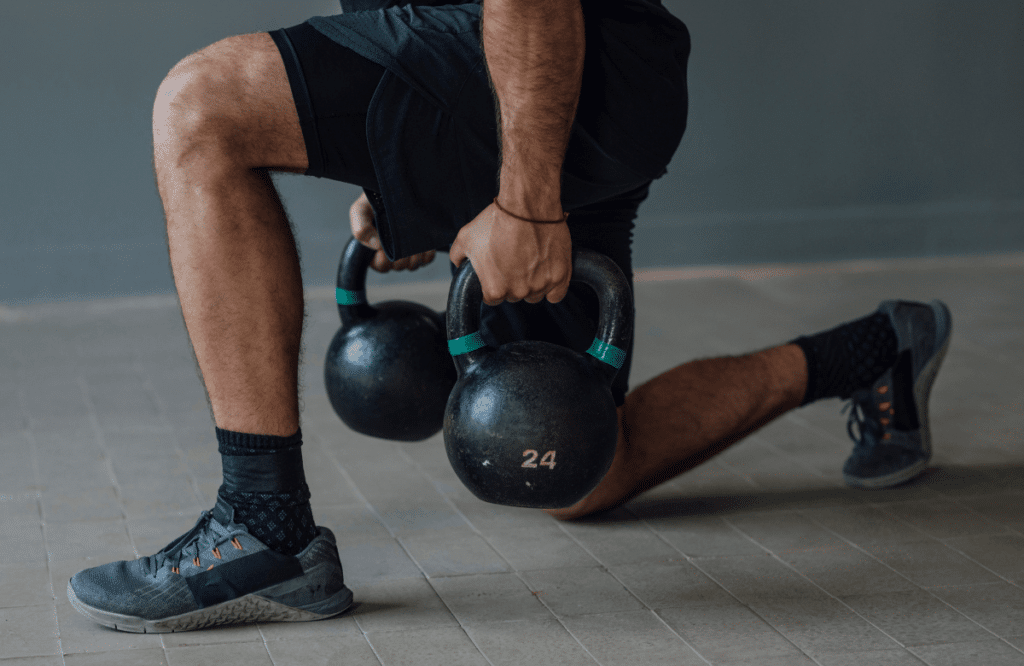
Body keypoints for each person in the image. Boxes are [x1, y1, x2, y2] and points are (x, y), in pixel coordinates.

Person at [66, 0, 951, 634]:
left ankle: (261, 524)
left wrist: (527, 202)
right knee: (573, 465)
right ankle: (876, 350)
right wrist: (408, 182)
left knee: (200, 106)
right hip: (560, 70)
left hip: (549, 51)